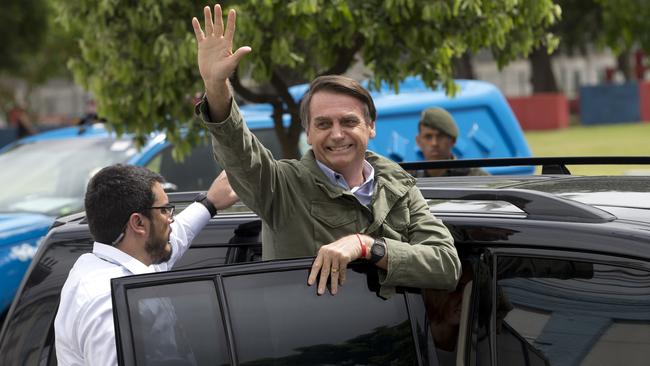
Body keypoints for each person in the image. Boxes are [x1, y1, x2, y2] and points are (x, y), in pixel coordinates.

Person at [191, 4, 460, 298]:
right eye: (323, 124)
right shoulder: (280, 187)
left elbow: (446, 265)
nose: (337, 134)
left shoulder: (400, 187)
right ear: (308, 132)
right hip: (312, 342)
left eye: (348, 121)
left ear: (371, 127)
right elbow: (239, 151)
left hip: (394, 341)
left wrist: (366, 246)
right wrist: (216, 85)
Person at [54, 165, 238, 366]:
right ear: (138, 223)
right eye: (164, 210)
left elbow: (173, 239)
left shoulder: (116, 264)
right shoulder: (108, 305)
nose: (171, 218)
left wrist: (208, 204)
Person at [414, 107, 489, 177]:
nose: (434, 143)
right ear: (418, 141)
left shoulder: (475, 176)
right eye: (428, 137)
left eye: (440, 136)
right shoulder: (409, 180)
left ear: (453, 141)